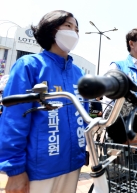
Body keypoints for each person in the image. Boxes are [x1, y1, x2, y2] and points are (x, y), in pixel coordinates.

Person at [0, 10, 89, 193]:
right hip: (39, 170)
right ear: (51, 29)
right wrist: (15, 169)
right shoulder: (29, 65)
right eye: (68, 26)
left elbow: (85, 117)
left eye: (77, 29)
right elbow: (14, 120)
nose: (74, 32)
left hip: (73, 166)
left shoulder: (79, 74)